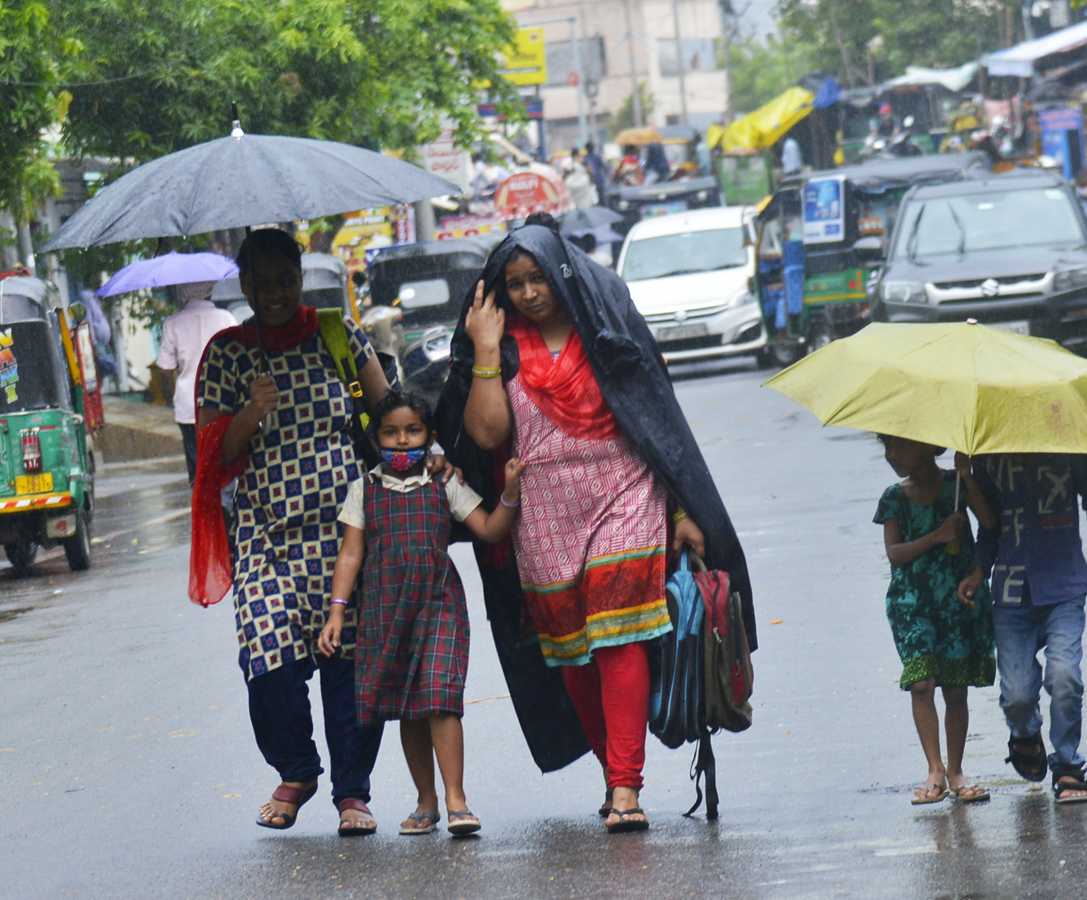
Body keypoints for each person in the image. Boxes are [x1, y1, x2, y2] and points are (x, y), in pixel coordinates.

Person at [435, 214, 753, 834]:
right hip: (543, 509)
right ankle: (614, 772)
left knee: (617, 636)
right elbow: (488, 434)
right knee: (573, 652)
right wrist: (480, 347)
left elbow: (661, 426)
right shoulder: (501, 346)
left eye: (538, 279)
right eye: (516, 282)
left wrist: (684, 510)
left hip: (625, 492)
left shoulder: (608, 331)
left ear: (562, 273)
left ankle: (626, 787)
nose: (528, 292)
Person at [191, 228, 397, 836]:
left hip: (347, 529)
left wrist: (420, 466)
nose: (275, 293)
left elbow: (386, 416)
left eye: (286, 280)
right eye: (262, 283)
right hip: (266, 536)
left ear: (302, 279)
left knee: (351, 663)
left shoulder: (337, 334)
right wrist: (251, 412)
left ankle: (352, 793)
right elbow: (212, 456)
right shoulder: (227, 353)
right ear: (245, 285)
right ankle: (298, 769)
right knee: (267, 656)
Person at [318, 390, 524, 837]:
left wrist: (508, 495)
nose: (401, 441)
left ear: (430, 437)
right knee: (408, 705)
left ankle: (456, 799)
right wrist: (336, 613)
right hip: (384, 610)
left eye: (412, 431)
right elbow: (350, 556)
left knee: (440, 696)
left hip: (438, 605)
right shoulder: (363, 490)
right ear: (375, 440)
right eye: (390, 433)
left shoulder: (444, 482)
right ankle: (425, 801)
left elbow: (489, 529)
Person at [958, 454, 1087, 803]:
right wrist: (978, 570)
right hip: (1010, 593)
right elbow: (989, 525)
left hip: (1064, 587)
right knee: (1017, 695)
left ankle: (1067, 764)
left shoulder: (1071, 450)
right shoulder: (988, 458)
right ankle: (1025, 733)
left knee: (1065, 677)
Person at [874, 437, 997, 805]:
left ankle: (956, 770)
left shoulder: (955, 487)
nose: (891, 455)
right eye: (886, 446)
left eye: (900, 447)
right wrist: (937, 536)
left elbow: (990, 521)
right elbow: (895, 554)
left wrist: (967, 476)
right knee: (921, 684)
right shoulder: (893, 497)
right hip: (911, 603)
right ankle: (935, 769)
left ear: (929, 446)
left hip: (955, 598)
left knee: (955, 689)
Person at [155, 281, 237, 483]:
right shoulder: (226, 318)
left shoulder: (172, 324)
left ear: (183, 292)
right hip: (223, 401)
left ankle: (202, 508)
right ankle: (226, 509)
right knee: (225, 461)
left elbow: (165, 368)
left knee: (198, 466)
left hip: (189, 406)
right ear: (211, 290)